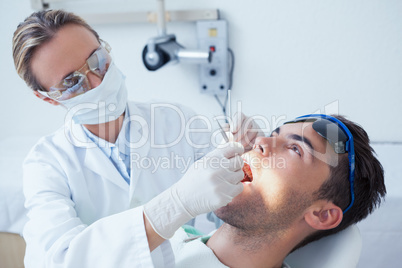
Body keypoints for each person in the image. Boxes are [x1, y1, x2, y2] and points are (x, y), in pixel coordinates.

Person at [12, 9, 262, 267]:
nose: (98, 82)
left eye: (98, 60)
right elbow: (67, 260)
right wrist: (175, 205)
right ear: (46, 97)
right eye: (72, 82)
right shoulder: (46, 164)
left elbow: (235, 210)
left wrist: (248, 157)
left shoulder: (176, 121)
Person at [170, 114, 386, 268]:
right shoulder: (172, 239)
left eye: (295, 149)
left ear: (322, 214)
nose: (260, 142)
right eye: (274, 135)